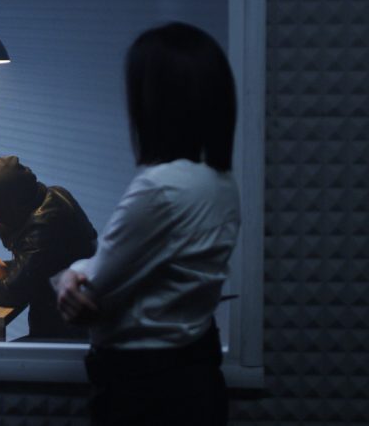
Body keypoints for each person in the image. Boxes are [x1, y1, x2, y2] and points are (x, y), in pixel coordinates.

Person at [55, 22, 239, 426]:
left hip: (148, 392)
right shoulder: (219, 183)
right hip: (195, 377)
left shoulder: (159, 189)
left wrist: (72, 274)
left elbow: (92, 292)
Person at [0, 156, 97, 339]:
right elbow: (45, 267)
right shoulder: (55, 195)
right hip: (80, 328)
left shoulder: (41, 227)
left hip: (63, 338)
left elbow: (13, 293)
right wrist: (7, 269)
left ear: (7, 205)